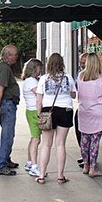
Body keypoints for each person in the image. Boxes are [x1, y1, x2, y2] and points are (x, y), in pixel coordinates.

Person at [35, 53, 76, 185]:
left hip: (48, 110)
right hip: (65, 110)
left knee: (46, 144)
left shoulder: (43, 79)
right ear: (61, 63)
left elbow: (39, 99)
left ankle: (41, 176)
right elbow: (74, 95)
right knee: (60, 144)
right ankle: (60, 176)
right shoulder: (68, 78)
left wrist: (39, 114)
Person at [77, 53, 102, 178]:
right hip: (98, 112)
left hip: (84, 111)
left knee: (84, 141)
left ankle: (85, 165)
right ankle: (93, 168)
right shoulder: (101, 76)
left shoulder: (80, 75)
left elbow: (79, 93)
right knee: (95, 142)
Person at [0, 45, 20, 176]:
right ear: (8, 56)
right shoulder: (4, 69)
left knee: (9, 134)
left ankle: (6, 159)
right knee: (7, 135)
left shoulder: (4, 68)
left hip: (8, 104)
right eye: (15, 54)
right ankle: (1, 164)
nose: (16, 56)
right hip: (7, 104)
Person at [21, 58, 43, 177]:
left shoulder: (29, 80)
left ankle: (30, 162)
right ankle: (34, 166)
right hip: (35, 111)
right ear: (34, 69)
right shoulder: (32, 82)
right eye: (40, 68)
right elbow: (40, 93)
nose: (41, 71)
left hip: (31, 111)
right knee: (36, 139)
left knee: (34, 138)